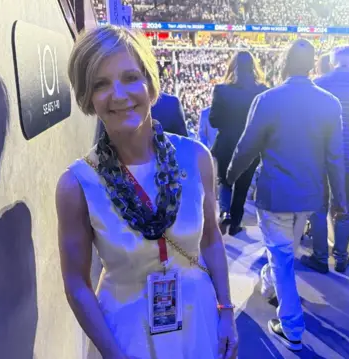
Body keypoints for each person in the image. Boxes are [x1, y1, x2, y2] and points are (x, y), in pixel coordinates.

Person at [57, 25, 237, 359]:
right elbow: (76, 284)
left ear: (150, 85)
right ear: (87, 96)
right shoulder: (77, 184)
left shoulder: (196, 157)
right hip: (124, 334)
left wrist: (226, 311)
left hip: (199, 322)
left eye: (129, 77)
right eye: (100, 84)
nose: (119, 94)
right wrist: (113, 353)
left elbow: (211, 238)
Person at [227, 39, 346, 351]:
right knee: (284, 252)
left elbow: (246, 146)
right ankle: (269, 281)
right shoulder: (330, 103)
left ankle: (291, 327)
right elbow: (336, 158)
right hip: (309, 198)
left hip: (275, 196)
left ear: (284, 64)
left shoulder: (268, 99)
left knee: (282, 257)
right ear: (311, 65)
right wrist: (340, 201)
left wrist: (229, 175)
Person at [302, 45, 349, 273]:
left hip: (321, 159)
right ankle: (342, 258)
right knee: (344, 209)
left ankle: (320, 257)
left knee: (318, 208)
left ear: (333, 61)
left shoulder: (319, 84)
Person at [209, 51, 269, 236]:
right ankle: (235, 223)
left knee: (225, 181)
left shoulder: (221, 90)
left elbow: (213, 120)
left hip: (226, 144)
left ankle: (224, 212)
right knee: (242, 186)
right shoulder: (262, 90)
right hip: (251, 146)